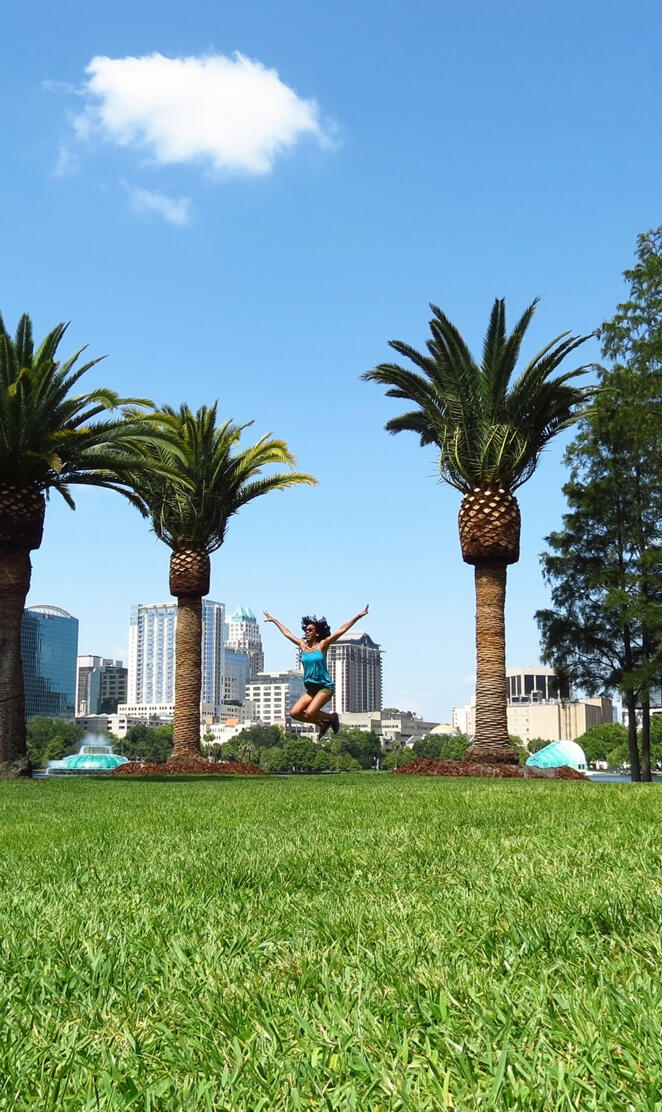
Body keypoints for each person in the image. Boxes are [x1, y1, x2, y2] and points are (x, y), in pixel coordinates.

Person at [263, 605, 370, 739]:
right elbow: (287, 633)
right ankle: (322, 724)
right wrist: (274, 620)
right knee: (294, 713)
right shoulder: (303, 646)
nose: (307, 632)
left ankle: (332, 717)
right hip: (311, 689)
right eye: (306, 630)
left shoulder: (322, 645)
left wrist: (359, 616)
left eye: (310, 630)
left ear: (317, 633)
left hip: (324, 687)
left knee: (310, 712)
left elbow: (341, 630)